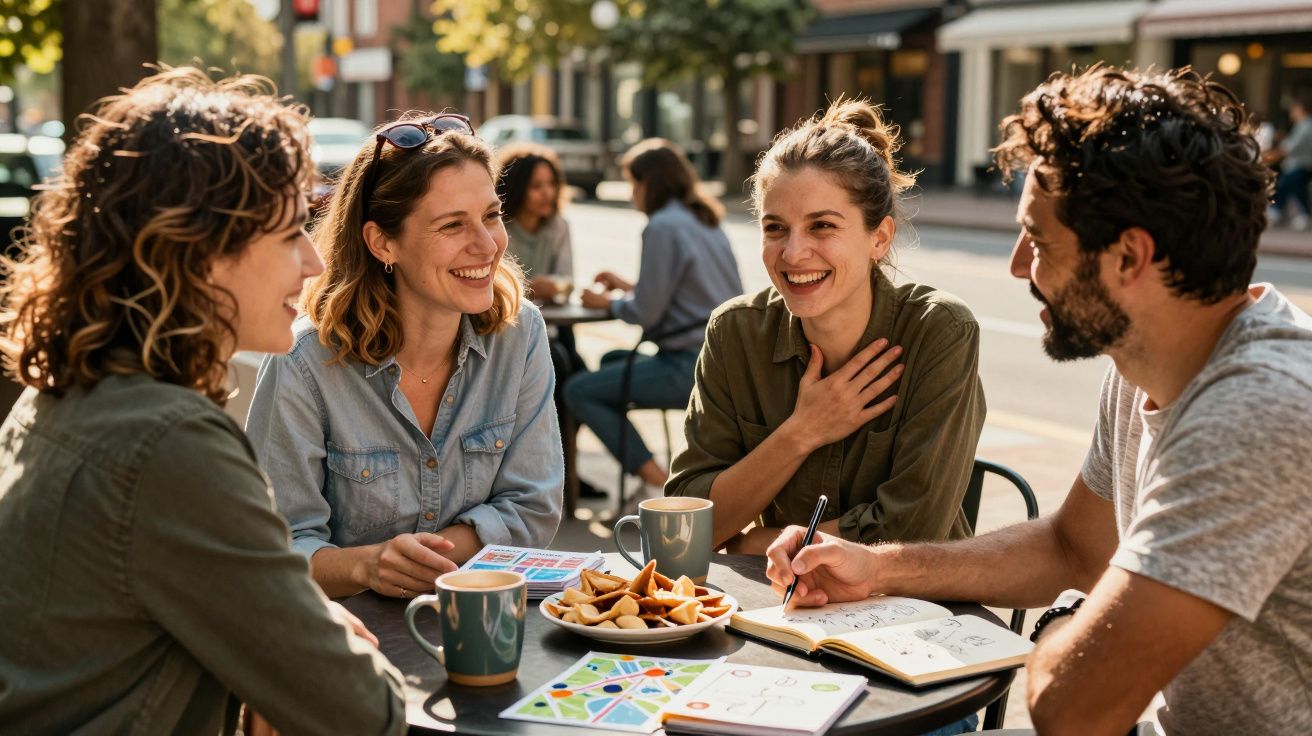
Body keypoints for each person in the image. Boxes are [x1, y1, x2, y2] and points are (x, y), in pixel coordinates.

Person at [766, 66, 1312, 736]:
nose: (1019, 264)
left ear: (1129, 258)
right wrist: (877, 568)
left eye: (1040, 239)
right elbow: (1070, 547)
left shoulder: (1257, 412)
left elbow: (1071, 707)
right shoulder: (1143, 364)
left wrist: (1068, 615)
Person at [0, 68, 404, 734]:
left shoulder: (64, 392)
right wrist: (324, 631)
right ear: (198, 252)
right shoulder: (171, 441)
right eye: (288, 234)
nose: (314, 262)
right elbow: (365, 713)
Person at [245, 112, 564, 601]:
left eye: (491, 215)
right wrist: (367, 566)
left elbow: (534, 506)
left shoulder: (520, 334)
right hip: (346, 632)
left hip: (480, 618)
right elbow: (273, 549)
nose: (487, 245)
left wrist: (421, 560)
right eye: (452, 225)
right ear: (383, 243)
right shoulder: (304, 363)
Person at [666, 99, 985, 555]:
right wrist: (802, 432)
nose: (793, 253)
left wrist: (758, 543)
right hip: (779, 595)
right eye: (775, 228)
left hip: (912, 597)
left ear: (879, 238)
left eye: (822, 226)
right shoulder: (734, 332)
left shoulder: (939, 331)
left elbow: (916, 529)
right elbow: (686, 524)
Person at [566, 138, 743, 495]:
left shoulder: (661, 226)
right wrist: (627, 286)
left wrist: (607, 303)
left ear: (648, 183)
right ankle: (647, 474)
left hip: (688, 366)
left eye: (633, 183)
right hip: (723, 362)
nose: (631, 194)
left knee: (578, 390)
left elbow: (645, 312)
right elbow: (684, 293)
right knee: (611, 359)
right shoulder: (703, 218)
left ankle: (658, 482)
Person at [1268, 97, 1312, 230]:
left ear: (1301, 109)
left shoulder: (1305, 125)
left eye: (1294, 109)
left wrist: (1270, 156)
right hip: (1301, 166)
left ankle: (1275, 212)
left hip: (1299, 165)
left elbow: (1290, 147)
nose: (1291, 112)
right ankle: (1304, 215)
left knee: (1283, 186)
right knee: (1298, 191)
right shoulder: (1303, 125)